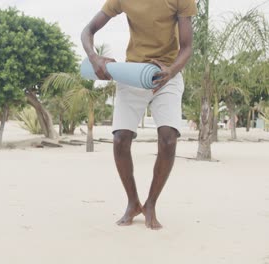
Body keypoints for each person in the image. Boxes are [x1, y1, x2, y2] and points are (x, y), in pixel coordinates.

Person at [81, 0, 197, 230]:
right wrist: (94, 58)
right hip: (133, 73)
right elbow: (88, 31)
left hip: (167, 73)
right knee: (120, 139)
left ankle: (151, 204)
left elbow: (187, 47)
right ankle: (133, 202)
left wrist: (171, 71)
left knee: (168, 138)